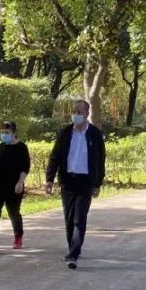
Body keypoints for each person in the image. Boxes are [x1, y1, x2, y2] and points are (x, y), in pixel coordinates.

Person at [46, 99, 106, 269]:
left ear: (87, 114)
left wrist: (98, 183)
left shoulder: (94, 134)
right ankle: (73, 247)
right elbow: (55, 156)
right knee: (69, 219)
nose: (76, 115)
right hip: (68, 180)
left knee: (80, 217)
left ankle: (73, 253)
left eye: (80, 112)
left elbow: (100, 160)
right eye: (74, 112)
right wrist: (49, 179)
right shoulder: (65, 132)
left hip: (86, 181)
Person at [0, 120, 30, 256]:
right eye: (2, 132)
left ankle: (18, 235)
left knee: (13, 213)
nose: (4, 135)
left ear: (14, 133)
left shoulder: (22, 148)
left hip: (14, 186)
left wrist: (20, 183)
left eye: (7, 132)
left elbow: (25, 168)